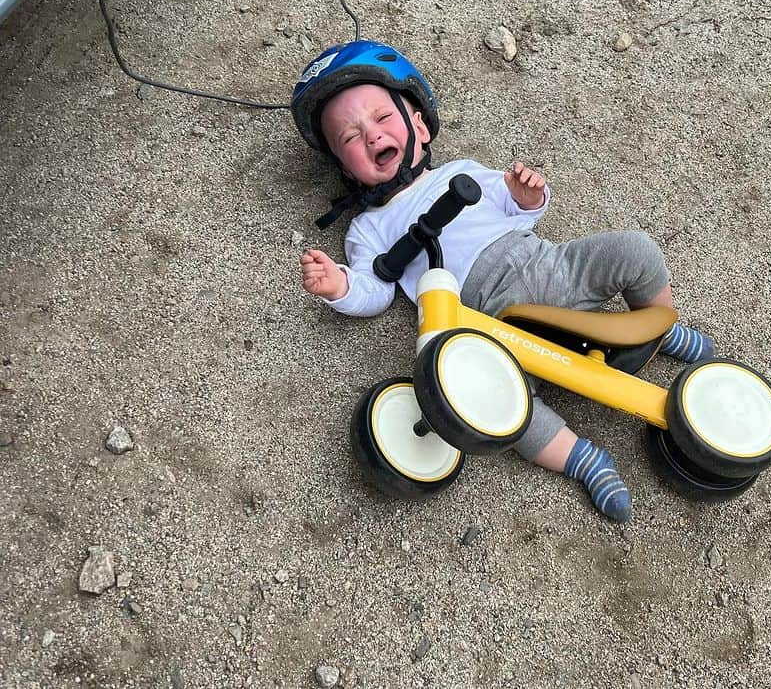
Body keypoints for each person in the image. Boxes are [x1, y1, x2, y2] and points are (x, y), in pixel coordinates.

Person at [293, 40, 715, 523]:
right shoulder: (368, 229)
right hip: (489, 323)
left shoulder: (462, 173)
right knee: (491, 405)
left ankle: (658, 328)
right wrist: (340, 287)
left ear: (420, 125)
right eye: (350, 137)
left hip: (550, 271)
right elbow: (376, 290)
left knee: (632, 250)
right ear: (346, 169)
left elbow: (522, 211)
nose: (370, 135)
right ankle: (584, 461)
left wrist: (526, 194)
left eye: (382, 118)